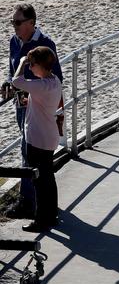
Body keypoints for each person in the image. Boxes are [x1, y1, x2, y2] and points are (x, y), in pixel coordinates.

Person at [4, 4, 63, 219]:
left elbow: (55, 80)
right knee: (30, 154)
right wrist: (7, 83)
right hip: (22, 107)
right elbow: (13, 73)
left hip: (39, 111)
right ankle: (42, 206)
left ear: (31, 22)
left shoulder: (45, 44)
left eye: (18, 22)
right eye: (13, 22)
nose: (14, 26)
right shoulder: (14, 41)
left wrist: (53, 110)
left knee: (31, 156)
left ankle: (30, 204)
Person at [11, 46, 63, 233]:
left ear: (40, 65)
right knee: (48, 178)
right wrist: (30, 101)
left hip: (38, 139)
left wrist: (21, 62)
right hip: (49, 137)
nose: (31, 67)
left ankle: (40, 221)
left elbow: (16, 81)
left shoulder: (41, 86)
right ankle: (51, 216)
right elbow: (41, 99)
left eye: (33, 65)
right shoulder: (53, 81)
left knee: (39, 182)